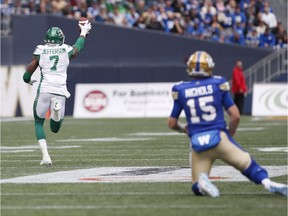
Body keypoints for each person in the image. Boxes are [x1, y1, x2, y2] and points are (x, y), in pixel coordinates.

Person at [167, 50, 288, 197]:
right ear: (209, 67)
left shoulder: (181, 89)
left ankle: (202, 183)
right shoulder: (218, 83)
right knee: (247, 165)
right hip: (219, 137)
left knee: (196, 185)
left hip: (198, 143)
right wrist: (230, 133)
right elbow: (235, 116)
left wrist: (183, 129)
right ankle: (267, 182)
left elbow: (172, 123)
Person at [22, 21, 92, 165]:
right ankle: (55, 111)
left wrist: (27, 80)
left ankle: (46, 156)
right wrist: (83, 33)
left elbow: (28, 71)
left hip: (45, 89)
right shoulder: (65, 49)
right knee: (55, 129)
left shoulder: (40, 49)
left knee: (39, 123)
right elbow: (77, 48)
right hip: (60, 90)